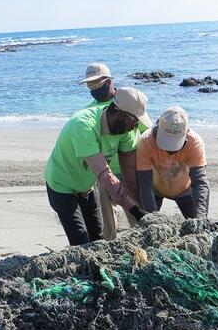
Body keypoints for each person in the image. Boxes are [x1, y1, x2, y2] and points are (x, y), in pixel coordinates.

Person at [45, 87, 150, 245]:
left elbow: (129, 177)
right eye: (135, 121)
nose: (135, 127)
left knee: (99, 239)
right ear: (120, 114)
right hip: (61, 186)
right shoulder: (83, 125)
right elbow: (105, 174)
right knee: (80, 240)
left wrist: (141, 214)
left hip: (87, 187)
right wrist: (138, 213)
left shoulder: (127, 131)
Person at [78, 63, 148, 239]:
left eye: (96, 83)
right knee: (108, 223)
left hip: (129, 167)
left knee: (135, 213)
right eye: (89, 84)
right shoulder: (89, 111)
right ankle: (111, 246)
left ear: (108, 81)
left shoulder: (128, 102)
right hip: (104, 170)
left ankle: (142, 242)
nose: (93, 88)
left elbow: (147, 134)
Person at [135, 106, 210, 218]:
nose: (170, 149)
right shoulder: (145, 141)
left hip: (186, 190)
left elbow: (200, 183)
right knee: (150, 223)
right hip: (154, 190)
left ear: (186, 133)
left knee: (199, 223)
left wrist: (200, 218)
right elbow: (145, 185)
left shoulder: (194, 143)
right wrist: (153, 219)